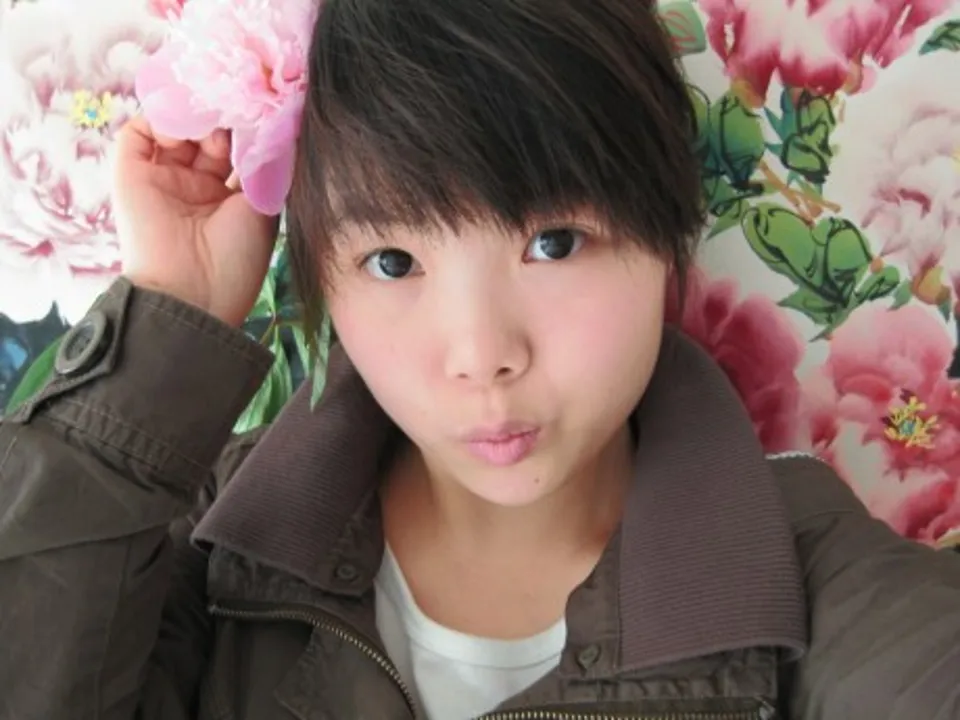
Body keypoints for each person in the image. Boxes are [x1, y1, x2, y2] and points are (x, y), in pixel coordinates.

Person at [1, 0, 958, 718]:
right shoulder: (205, 542)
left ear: (667, 234)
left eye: (554, 244)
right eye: (392, 262)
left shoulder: (813, 582)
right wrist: (169, 314)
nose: (482, 356)